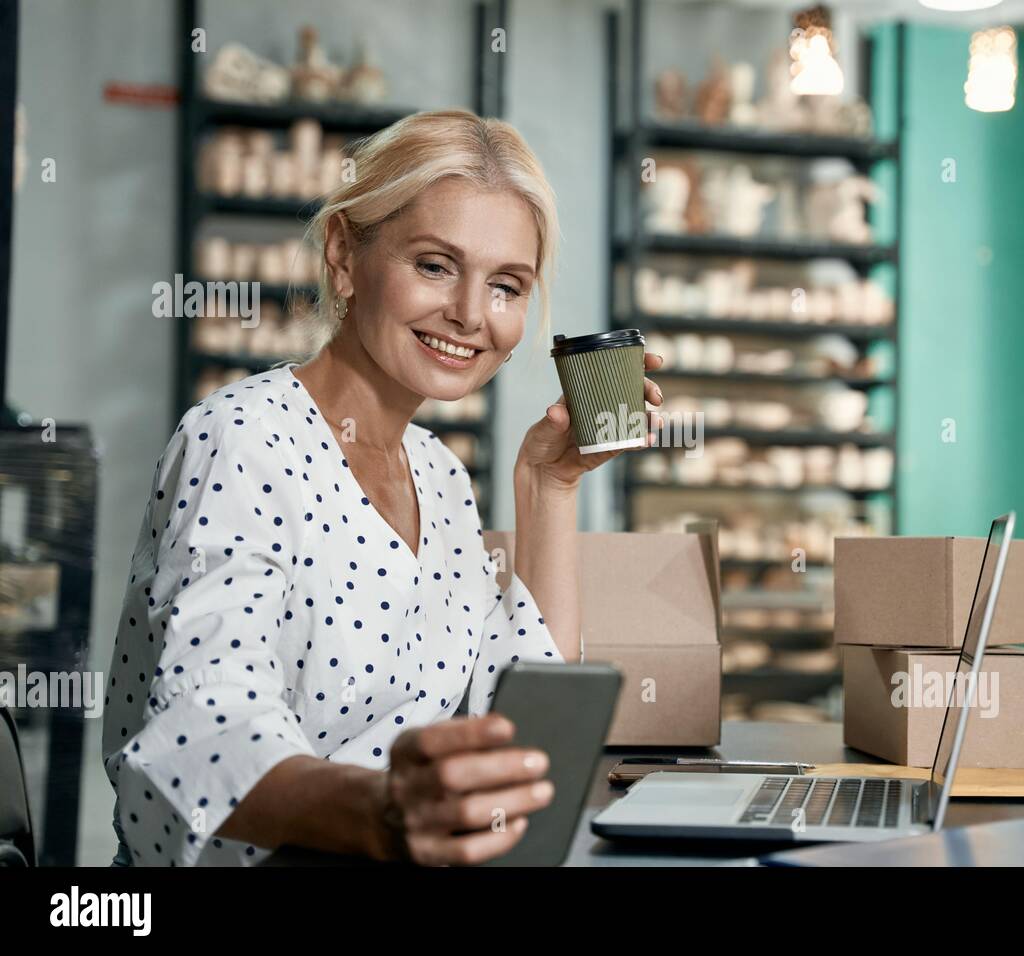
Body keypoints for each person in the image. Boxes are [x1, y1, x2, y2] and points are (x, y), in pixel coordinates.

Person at [102, 110, 664, 866]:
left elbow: (517, 725)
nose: (470, 314)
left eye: (506, 286)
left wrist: (549, 486)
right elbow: (206, 732)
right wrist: (386, 815)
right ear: (343, 257)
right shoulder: (243, 440)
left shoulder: (439, 473)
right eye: (435, 265)